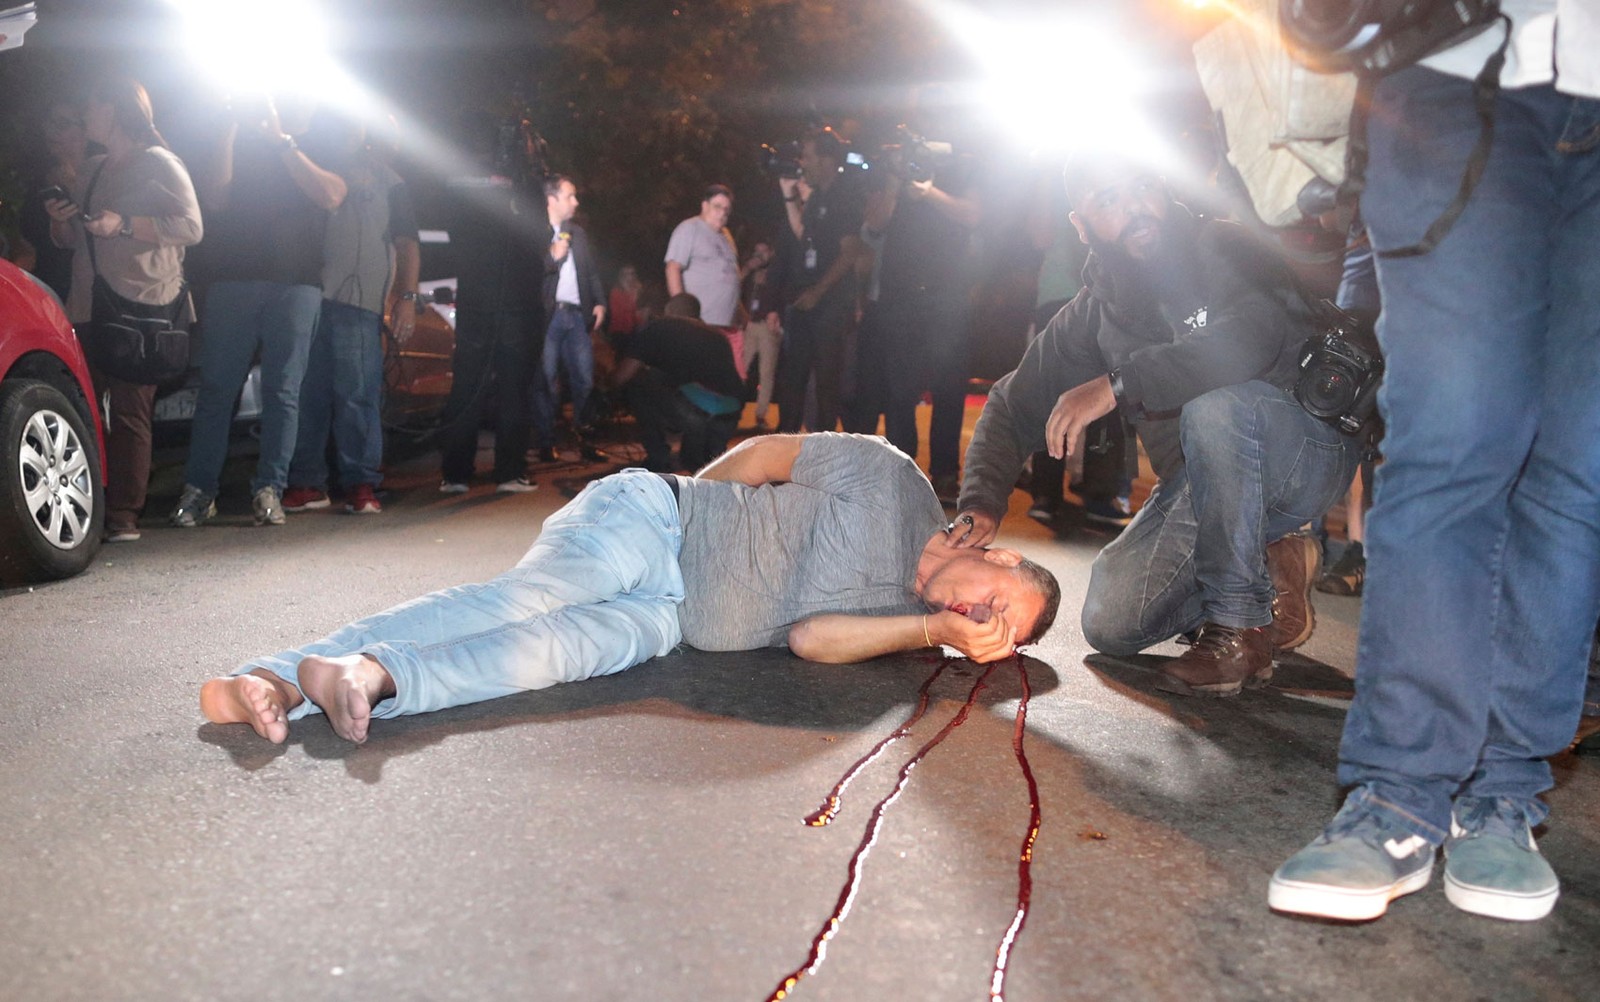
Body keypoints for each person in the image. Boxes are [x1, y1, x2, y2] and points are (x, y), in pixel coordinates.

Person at [1270, 5, 1599, 924]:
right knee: (1450, 444)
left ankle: (1504, 794)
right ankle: (1403, 791)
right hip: (1455, 64)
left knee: (1579, 471)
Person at [196, 433, 1062, 745]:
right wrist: (690, 500)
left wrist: (931, 636)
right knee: (530, 600)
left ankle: (370, 678)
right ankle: (275, 676)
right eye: (1001, 603)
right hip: (656, 521)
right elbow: (765, 457)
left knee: (542, 659)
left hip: (666, 621)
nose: (984, 617)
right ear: (1002, 556)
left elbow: (808, 640)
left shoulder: (905, 621)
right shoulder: (893, 479)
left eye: (998, 634)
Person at [953, 152, 1359, 696]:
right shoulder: (1097, 309)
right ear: (1081, 224)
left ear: (1164, 189)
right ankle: (1270, 560)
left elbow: (1250, 338)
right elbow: (1012, 403)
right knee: (1112, 623)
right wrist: (982, 500)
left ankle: (1241, 625)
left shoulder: (1224, 246)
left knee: (1216, 406)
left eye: (1141, 187)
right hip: (1201, 485)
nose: (1135, 208)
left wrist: (1117, 384)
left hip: (1302, 449)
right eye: (1108, 200)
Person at [170, 92, 347, 527]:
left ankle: (270, 488)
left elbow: (331, 195)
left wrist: (281, 140)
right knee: (216, 391)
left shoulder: (317, 143)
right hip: (233, 281)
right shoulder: (236, 137)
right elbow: (213, 198)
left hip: (296, 284)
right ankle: (200, 491)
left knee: (282, 393)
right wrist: (230, 127)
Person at [44, 77, 202, 544]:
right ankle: (87, 508)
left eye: (91, 107)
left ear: (115, 110)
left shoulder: (159, 162)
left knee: (131, 412)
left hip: (142, 304)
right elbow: (83, 238)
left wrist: (126, 224)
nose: (85, 117)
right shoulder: (93, 168)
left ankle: (124, 516)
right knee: (81, 407)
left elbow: (192, 226)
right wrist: (62, 225)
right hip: (89, 303)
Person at [281, 113, 421, 516]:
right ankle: (308, 484)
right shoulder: (313, 170)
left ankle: (362, 485)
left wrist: (406, 296)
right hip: (309, 300)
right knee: (308, 397)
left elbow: (407, 243)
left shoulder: (390, 181)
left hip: (358, 305)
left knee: (357, 397)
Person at [858, 128, 980, 503]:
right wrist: (896, 182)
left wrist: (928, 192)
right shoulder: (894, 174)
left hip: (947, 294)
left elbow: (975, 214)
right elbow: (873, 225)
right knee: (899, 390)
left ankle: (944, 474)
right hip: (901, 295)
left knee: (948, 387)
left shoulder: (961, 166)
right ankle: (901, 471)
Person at [437, 121, 548, 495]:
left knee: (467, 384)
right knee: (514, 388)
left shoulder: (459, 182)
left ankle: (454, 474)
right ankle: (509, 471)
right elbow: (539, 237)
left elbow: (454, 233)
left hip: (474, 300)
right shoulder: (526, 186)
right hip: (518, 304)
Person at [774, 128, 865, 434]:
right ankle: (781, 454)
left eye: (808, 156)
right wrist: (790, 194)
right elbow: (805, 235)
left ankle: (824, 458)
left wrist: (818, 291)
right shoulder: (816, 198)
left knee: (827, 382)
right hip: (805, 301)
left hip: (830, 303)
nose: (802, 162)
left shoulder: (846, 195)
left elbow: (850, 251)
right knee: (792, 380)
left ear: (827, 160)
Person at [612, 293, 745, 472]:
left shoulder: (659, 327)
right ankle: (708, 455)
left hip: (696, 412)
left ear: (670, 310)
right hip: (731, 411)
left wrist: (604, 387)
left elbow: (623, 375)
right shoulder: (718, 336)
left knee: (639, 383)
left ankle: (658, 457)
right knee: (703, 465)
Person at [531, 174, 607, 465]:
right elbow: (529, 272)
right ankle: (546, 442)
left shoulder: (578, 234)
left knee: (585, 380)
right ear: (552, 200)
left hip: (576, 316)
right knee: (547, 381)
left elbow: (590, 272)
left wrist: (599, 302)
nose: (575, 202)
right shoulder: (536, 232)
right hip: (548, 316)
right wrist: (552, 255)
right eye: (570, 196)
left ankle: (585, 441)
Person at [19, 97, 89, 300]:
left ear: (86, 131)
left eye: (62, 124)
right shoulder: (40, 181)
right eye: (49, 123)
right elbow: (27, 240)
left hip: (89, 293)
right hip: (46, 290)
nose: (51, 131)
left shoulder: (104, 177)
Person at [664, 183, 741, 328]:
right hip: (698, 324)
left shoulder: (726, 236)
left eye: (727, 209)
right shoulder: (689, 228)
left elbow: (730, 277)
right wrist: (682, 315)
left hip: (726, 327)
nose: (722, 212)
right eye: (717, 206)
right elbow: (673, 268)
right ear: (705, 206)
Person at [738, 240, 784, 431]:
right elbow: (733, 284)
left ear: (771, 252)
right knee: (740, 367)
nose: (759, 256)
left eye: (763, 252)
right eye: (757, 252)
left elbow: (785, 292)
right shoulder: (749, 271)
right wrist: (748, 269)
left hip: (767, 325)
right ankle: (734, 409)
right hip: (749, 324)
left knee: (766, 372)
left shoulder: (778, 270)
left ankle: (760, 415)